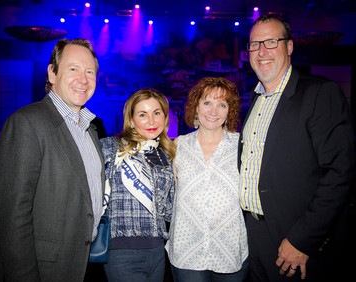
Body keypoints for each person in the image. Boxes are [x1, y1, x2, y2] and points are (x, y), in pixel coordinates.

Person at [239, 14, 355, 282]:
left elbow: (340, 173)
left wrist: (303, 239)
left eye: (271, 42)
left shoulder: (319, 93)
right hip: (251, 236)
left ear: (289, 47)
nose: (262, 51)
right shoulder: (254, 99)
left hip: (293, 238)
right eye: (255, 44)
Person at [0, 38, 105, 282]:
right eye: (73, 69)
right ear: (52, 73)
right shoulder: (27, 122)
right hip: (41, 270)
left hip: (79, 264)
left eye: (90, 71)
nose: (83, 79)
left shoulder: (91, 129)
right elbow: (12, 215)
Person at [166, 77, 249, 282]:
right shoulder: (178, 147)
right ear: (196, 107)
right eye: (207, 103)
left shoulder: (242, 146)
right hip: (187, 251)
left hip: (229, 250)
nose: (214, 111)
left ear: (230, 110)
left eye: (222, 104)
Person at [100, 88, 176, 282]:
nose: (151, 121)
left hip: (157, 250)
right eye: (143, 114)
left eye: (157, 113)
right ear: (131, 120)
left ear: (165, 117)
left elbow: (169, 208)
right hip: (121, 251)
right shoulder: (109, 148)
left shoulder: (165, 154)